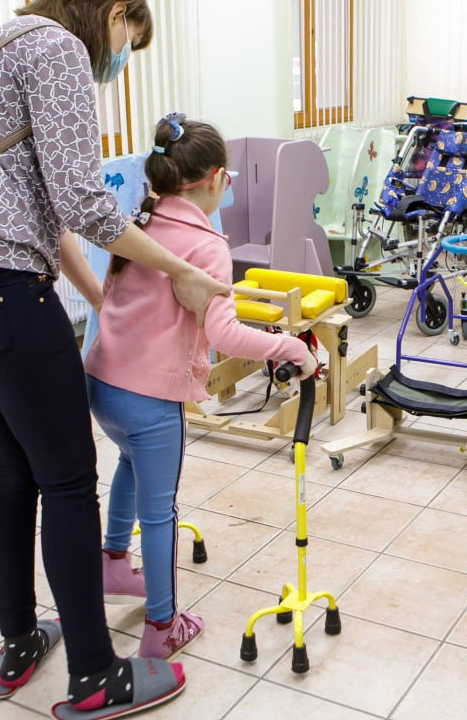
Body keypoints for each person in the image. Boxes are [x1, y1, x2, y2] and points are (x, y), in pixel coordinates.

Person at [0, 1, 228, 715]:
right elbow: (84, 202)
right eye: (127, 41)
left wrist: (100, 297)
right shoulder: (59, 50)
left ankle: (19, 641)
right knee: (70, 481)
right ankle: (93, 675)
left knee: (8, 469)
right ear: (112, 12)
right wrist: (179, 270)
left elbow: (43, 205)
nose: (122, 58)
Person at [83, 115, 317, 659]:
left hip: (101, 383)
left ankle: (113, 564)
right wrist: (291, 347)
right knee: (160, 509)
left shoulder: (138, 220)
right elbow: (226, 335)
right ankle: (163, 627)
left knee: (128, 464)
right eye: (228, 180)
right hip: (149, 398)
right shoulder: (206, 244)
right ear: (213, 179)